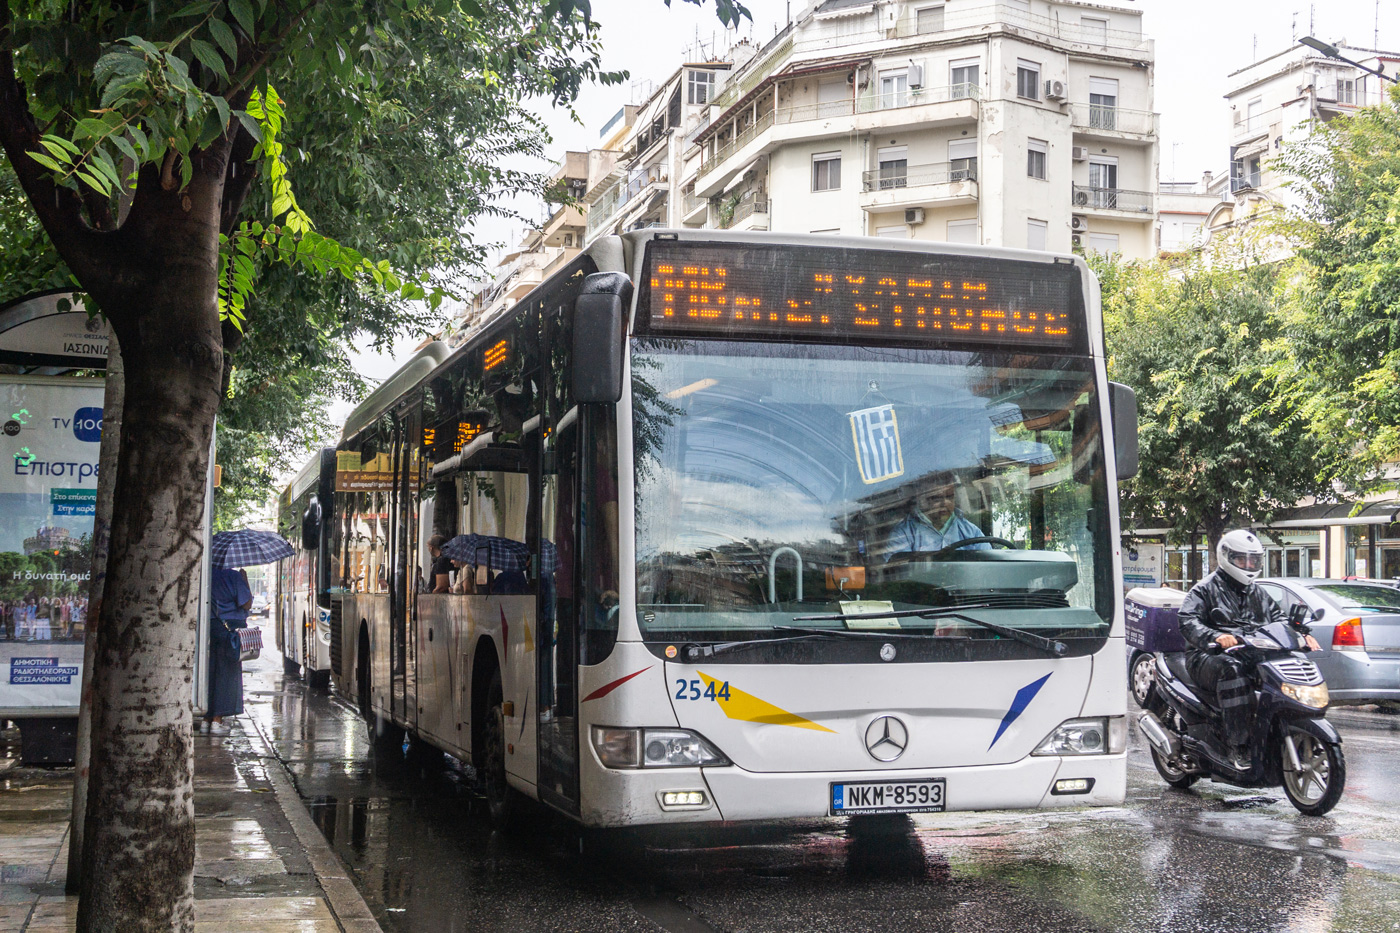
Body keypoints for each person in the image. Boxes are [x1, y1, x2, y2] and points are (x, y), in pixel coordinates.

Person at [1178, 529, 1321, 768]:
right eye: (1241, 559)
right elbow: (1187, 620)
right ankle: (1239, 746)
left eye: (1252, 560)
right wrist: (1216, 636)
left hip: (1250, 652)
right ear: (1226, 557)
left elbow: (1279, 618)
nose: (1247, 564)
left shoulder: (1258, 593)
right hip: (1207, 655)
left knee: (1289, 664)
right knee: (1232, 671)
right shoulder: (1204, 589)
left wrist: (1302, 635)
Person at [884, 473, 988, 559]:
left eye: (949, 497)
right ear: (922, 499)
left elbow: (988, 566)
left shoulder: (971, 532)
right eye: (936, 498)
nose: (944, 503)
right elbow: (898, 577)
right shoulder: (903, 534)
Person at [203, 565, 253, 736]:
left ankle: (206, 718)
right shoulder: (233, 576)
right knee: (227, 675)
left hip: (210, 628)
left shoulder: (206, 575)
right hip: (230, 630)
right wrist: (245, 580)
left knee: (209, 673)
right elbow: (246, 604)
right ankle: (217, 719)